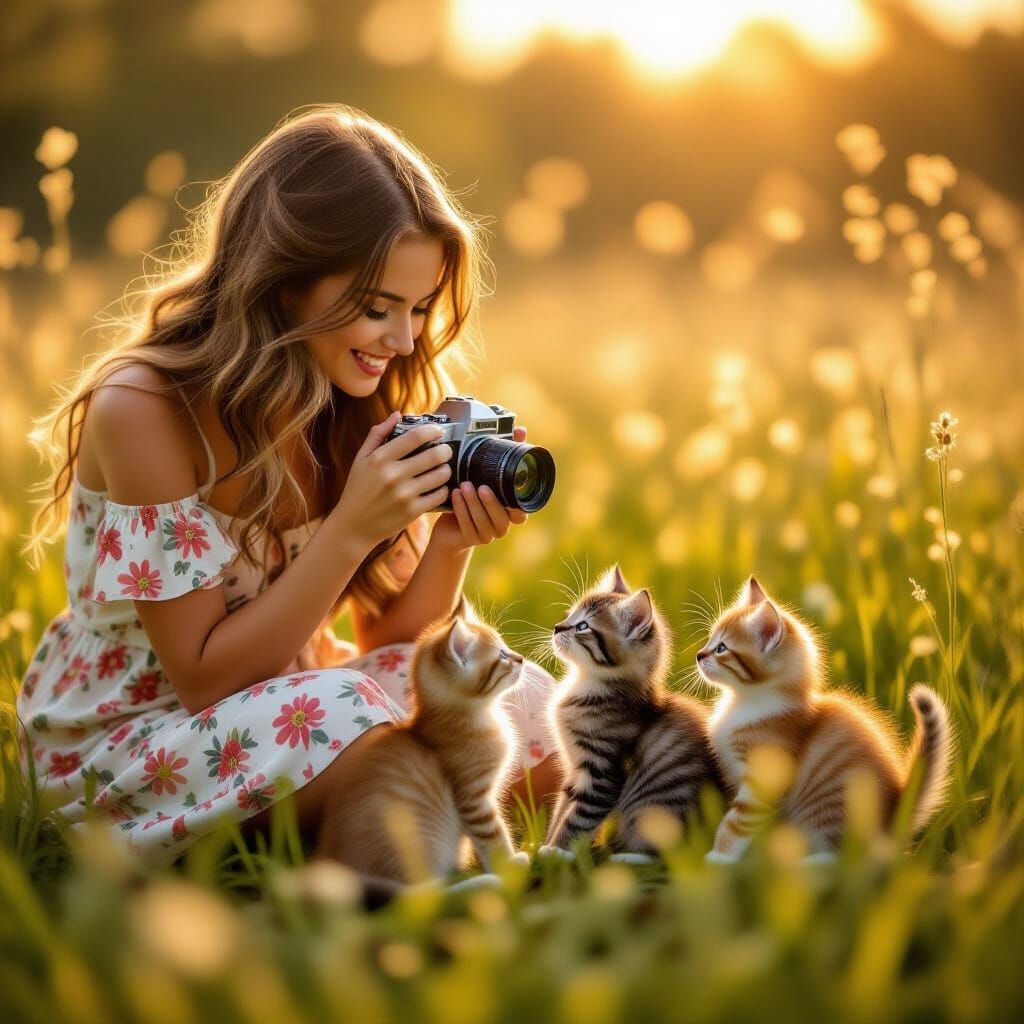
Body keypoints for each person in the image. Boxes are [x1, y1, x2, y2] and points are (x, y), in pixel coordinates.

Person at [19, 105, 559, 864]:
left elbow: (392, 643)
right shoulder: (143, 411)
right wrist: (351, 530)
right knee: (356, 725)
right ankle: (398, 872)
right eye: (377, 309)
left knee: (527, 706)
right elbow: (205, 680)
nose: (403, 341)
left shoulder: (348, 397)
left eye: (418, 309)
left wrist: (448, 544)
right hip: (138, 738)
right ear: (283, 282)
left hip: (291, 711)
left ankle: (448, 836)